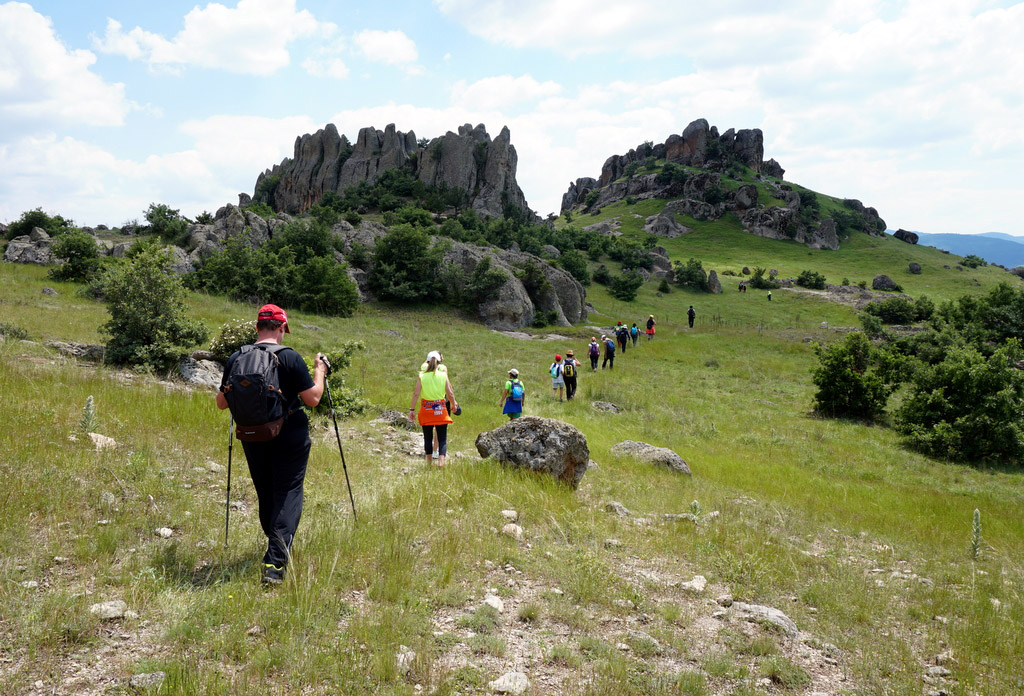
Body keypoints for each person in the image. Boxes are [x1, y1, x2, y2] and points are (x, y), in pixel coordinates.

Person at [216, 304, 328, 586]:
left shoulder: (236, 357)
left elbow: (220, 402)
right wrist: (320, 371)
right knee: (288, 493)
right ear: (281, 329)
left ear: (257, 328)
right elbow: (313, 399)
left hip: (253, 435)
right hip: (289, 435)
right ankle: (275, 564)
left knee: (266, 492)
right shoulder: (289, 357)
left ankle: (275, 547)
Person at [410, 350, 458, 469]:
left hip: (426, 409)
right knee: (442, 437)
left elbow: (416, 394)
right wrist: (453, 404)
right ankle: (441, 463)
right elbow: (450, 393)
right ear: (439, 362)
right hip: (440, 409)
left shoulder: (422, 376)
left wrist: (412, 409)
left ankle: (429, 463)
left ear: (427, 361)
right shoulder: (443, 375)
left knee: (427, 437)